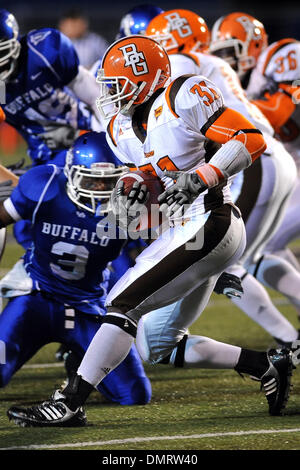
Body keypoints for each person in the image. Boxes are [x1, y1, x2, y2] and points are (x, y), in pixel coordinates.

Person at [7, 35, 293, 428]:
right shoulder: (120, 126)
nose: (109, 93)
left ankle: (70, 402)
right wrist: (134, 185)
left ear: (144, 78)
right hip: (187, 230)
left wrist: (200, 177)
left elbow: (251, 139)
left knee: (122, 301)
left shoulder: (182, 94)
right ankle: (266, 365)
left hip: (211, 219)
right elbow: (150, 176)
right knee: (157, 343)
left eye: (117, 83)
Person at [145, 8, 300, 347]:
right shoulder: (210, 63)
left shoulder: (182, 61)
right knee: (251, 257)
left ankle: (291, 342)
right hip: (269, 153)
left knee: (227, 259)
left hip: (248, 155)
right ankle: (292, 338)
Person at [0, 131, 152, 416]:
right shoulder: (43, 185)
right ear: (71, 172)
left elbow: (163, 247)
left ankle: (78, 359)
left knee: (134, 395)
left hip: (89, 309)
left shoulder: (131, 205)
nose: (99, 188)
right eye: (91, 179)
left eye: (108, 182)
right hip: (35, 299)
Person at [210, 12, 300, 319]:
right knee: (261, 248)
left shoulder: (283, 55)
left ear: (253, 44)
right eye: (217, 52)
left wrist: (233, 108)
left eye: (228, 50)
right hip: (292, 168)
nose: (223, 58)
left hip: (293, 168)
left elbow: (276, 115)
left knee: (253, 250)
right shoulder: (241, 84)